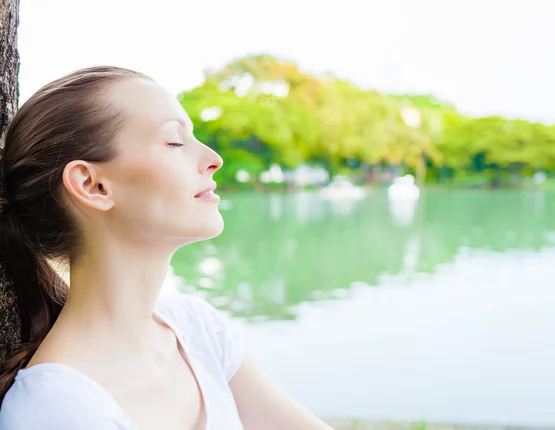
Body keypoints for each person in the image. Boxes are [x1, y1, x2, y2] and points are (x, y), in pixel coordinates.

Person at [0, 66, 333, 430]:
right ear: (93, 185)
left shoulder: (197, 331)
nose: (213, 158)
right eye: (175, 141)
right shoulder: (56, 409)